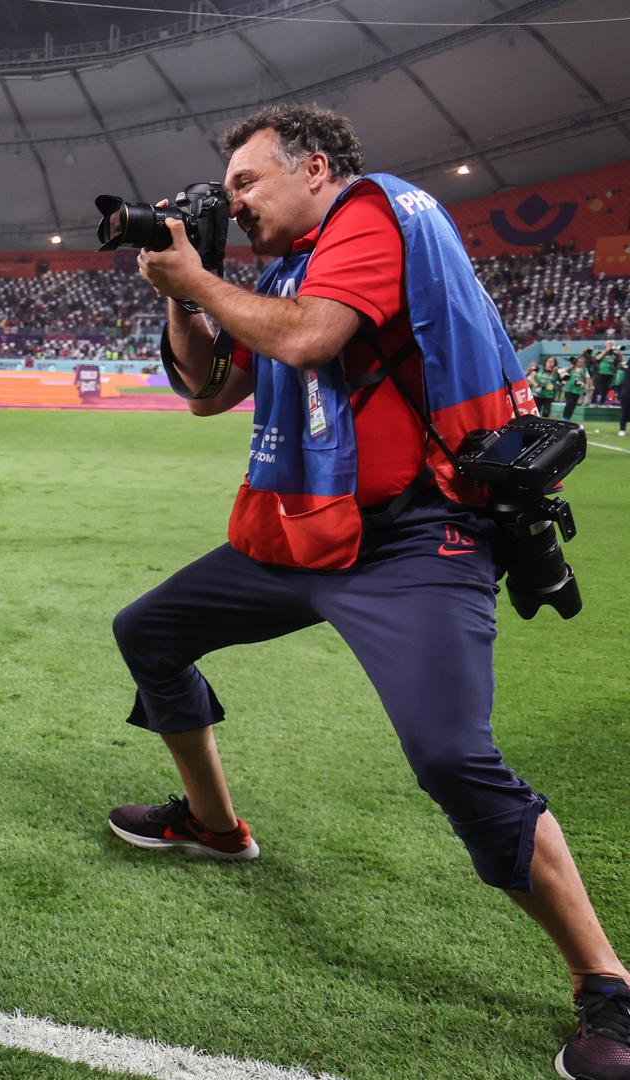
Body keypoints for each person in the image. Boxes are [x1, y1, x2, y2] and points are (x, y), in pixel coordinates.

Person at [110, 104, 627, 1080]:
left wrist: (201, 278)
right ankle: (215, 828)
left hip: (418, 535)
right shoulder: (289, 270)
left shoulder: (376, 214)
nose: (235, 205)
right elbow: (210, 391)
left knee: (450, 755)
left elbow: (307, 341)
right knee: (151, 632)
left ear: (315, 170)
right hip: (310, 526)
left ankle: (607, 985)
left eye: (245, 186)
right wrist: (181, 296)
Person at [562, 354, 590, 420]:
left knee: (573, 405)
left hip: (578, 390)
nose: (580, 363)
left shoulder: (584, 370)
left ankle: (568, 417)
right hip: (569, 389)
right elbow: (564, 372)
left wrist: (586, 385)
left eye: (582, 362)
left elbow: (588, 378)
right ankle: (564, 417)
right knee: (569, 403)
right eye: (579, 362)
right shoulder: (572, 367)